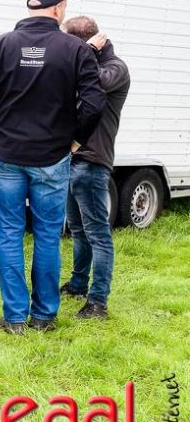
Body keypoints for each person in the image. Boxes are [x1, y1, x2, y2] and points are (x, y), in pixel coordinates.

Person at [0, 0, 105, 335]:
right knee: (46, 235)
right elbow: (94, 104)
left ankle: (14, 318)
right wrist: (75, 141)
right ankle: (44, 316)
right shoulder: (76, 50)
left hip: (7, 156)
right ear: (58, 9)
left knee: (9, 234)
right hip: (52, 157)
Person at [59, 16, 130, 321]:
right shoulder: (90, 62)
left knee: (98, 234)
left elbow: (90, 81)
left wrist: (84, 52)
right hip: (73, 159)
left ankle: (98, 302)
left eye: (70, 43)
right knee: (78, 230)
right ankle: (77, 285)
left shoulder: (115, 69)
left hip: (93, 161)